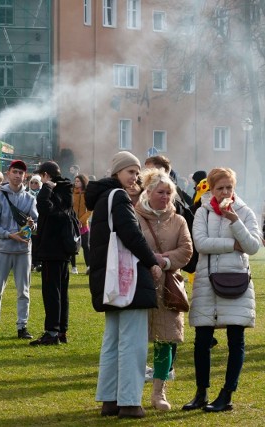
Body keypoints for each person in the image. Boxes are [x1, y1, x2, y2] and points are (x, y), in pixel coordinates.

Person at [85, 151, 162, 418]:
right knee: (132, 341)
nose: (135, 177)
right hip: (127, 279)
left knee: (113, 340)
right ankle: (129, 402)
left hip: (109, 279)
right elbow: (131, 234)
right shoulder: (118, 197)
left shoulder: (103, 198)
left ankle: (110, 399)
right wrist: (152, 261)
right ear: (117, 173)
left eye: (137, 172)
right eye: (130, 171)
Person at [182, 167, 260, 413]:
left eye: (229, 187)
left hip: (236, 282)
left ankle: (227, 394)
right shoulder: (202, 213)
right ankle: (201, 392)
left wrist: (234, 221)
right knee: (202, 340)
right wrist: (233, 244)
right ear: (211, 189)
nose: (225, 192)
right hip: (206, 282)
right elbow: (201, 244)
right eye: (220, 188)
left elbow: (253, 246)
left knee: (236, 339)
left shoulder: (244, 212)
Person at [134, 168, 193, 411]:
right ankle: (131, 392)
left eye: (169, 193)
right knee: (134, 341)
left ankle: (159, 393)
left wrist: (164, 261)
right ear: (148, 192)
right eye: (161, 192)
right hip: (140, 286)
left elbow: (187, 250)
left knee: (165, 342)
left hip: (168, 289)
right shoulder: (134, 216)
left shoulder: (178, 220)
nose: (166, 197)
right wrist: (149, 261)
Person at [0, 160, 38, 340]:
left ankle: (22, 326)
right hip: (2, 250)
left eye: (21, 173)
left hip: (23, 251)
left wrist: (32, 225)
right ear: (8, 174)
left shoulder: (30, 198)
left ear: (25, 176)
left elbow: (36, 224)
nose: (17, 175)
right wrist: (9, 235)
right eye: (14, 172)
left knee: (24, 291)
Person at [29, 161, 73, 346]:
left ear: (46, 175)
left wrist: (46, 188)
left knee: (52, 291)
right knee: (61, 291)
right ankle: (61, 330)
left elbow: (44, 207)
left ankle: (52, 332)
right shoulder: (66, 189)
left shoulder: (57, 189)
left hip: (52, 248)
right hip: (62, 248)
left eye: (42, 176)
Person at [71, 174, 91, 275]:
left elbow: (90, 210)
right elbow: (69, 208)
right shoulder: (71, 193)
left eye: (78, 181)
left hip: (84, 225)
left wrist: (81, 221)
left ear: (83, 182)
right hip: (72, 223)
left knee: (86, 246)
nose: (76, 183)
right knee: (73, 246)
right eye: (75, 181)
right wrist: (74, 220)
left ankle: (89, 266)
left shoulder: (87, 194)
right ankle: (74, 267)